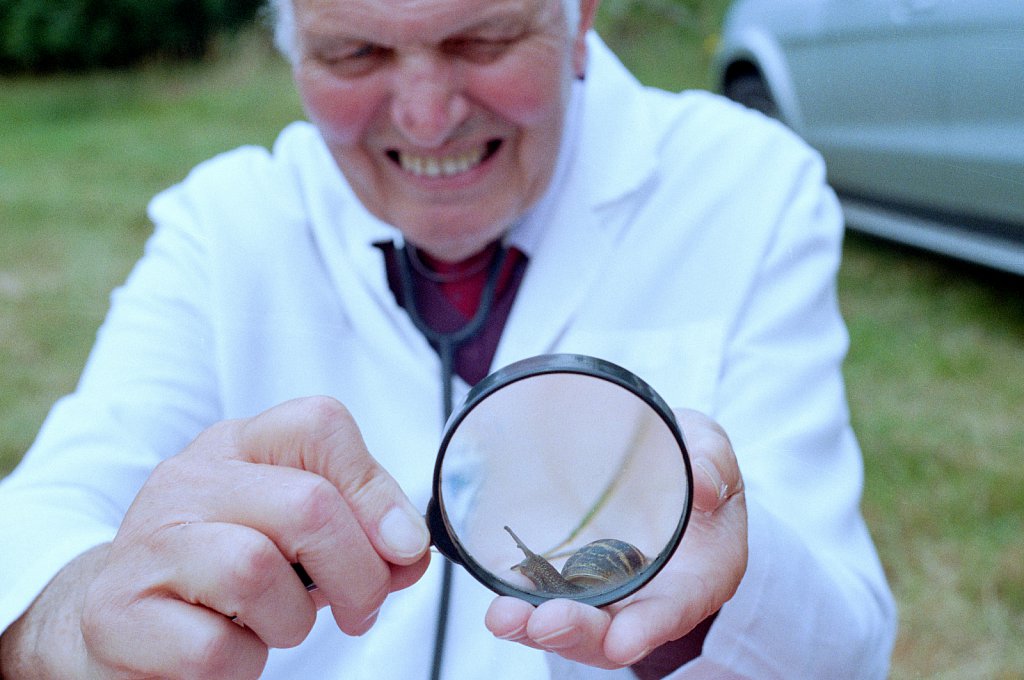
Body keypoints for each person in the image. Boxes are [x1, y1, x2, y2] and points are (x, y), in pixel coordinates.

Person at [0, 0, 897, 677]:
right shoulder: (227, 223)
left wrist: (712, 606)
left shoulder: (746, 185)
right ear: (293, 46)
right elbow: (38, 517)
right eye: (353, 53)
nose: (427, 116)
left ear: (580, 17)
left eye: (485, 40)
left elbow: (846, 650)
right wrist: (73, 617)